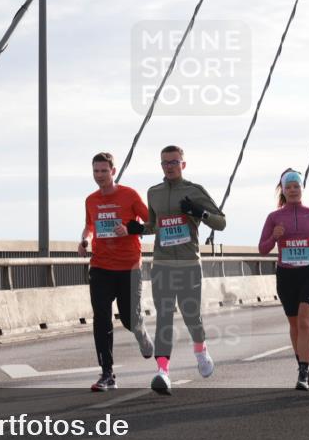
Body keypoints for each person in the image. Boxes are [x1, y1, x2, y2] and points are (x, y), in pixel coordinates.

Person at [138, 145, 226, 395]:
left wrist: (199, 212)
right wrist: (137, 229)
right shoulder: (153, 192)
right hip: (162, 265)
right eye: (165, 163)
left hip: (189, 265)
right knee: (164, 317)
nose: (169, 167)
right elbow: (154, 225)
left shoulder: (194, 190)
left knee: (191, 316)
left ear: (183, 164)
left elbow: (221, 222)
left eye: (174, 162)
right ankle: (163, 371)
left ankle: (201, 350)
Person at [80, 153, 154, 391]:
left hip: (129, 267)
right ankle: (107, 374)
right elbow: (90, 226)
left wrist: (130, 229)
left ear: (113, 171)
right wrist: (85, 240)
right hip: (100, 266)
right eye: (96, 171)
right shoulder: (91, 200)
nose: (99, 175)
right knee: (101, 319)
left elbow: (152, 224)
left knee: (129, 319)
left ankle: (140, 331)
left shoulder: (130, 195)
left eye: (104, 171)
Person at [258, 169, 309, 390]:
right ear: (283, 190)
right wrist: (274, 236)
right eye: (288, 187)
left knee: (303, 319)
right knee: (293, 324)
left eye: (296, 186)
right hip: (286, 275)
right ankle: (302, 365)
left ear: (302, 188)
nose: (293, 190)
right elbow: (262, 249)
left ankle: (303, 370)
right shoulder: (274, 217)